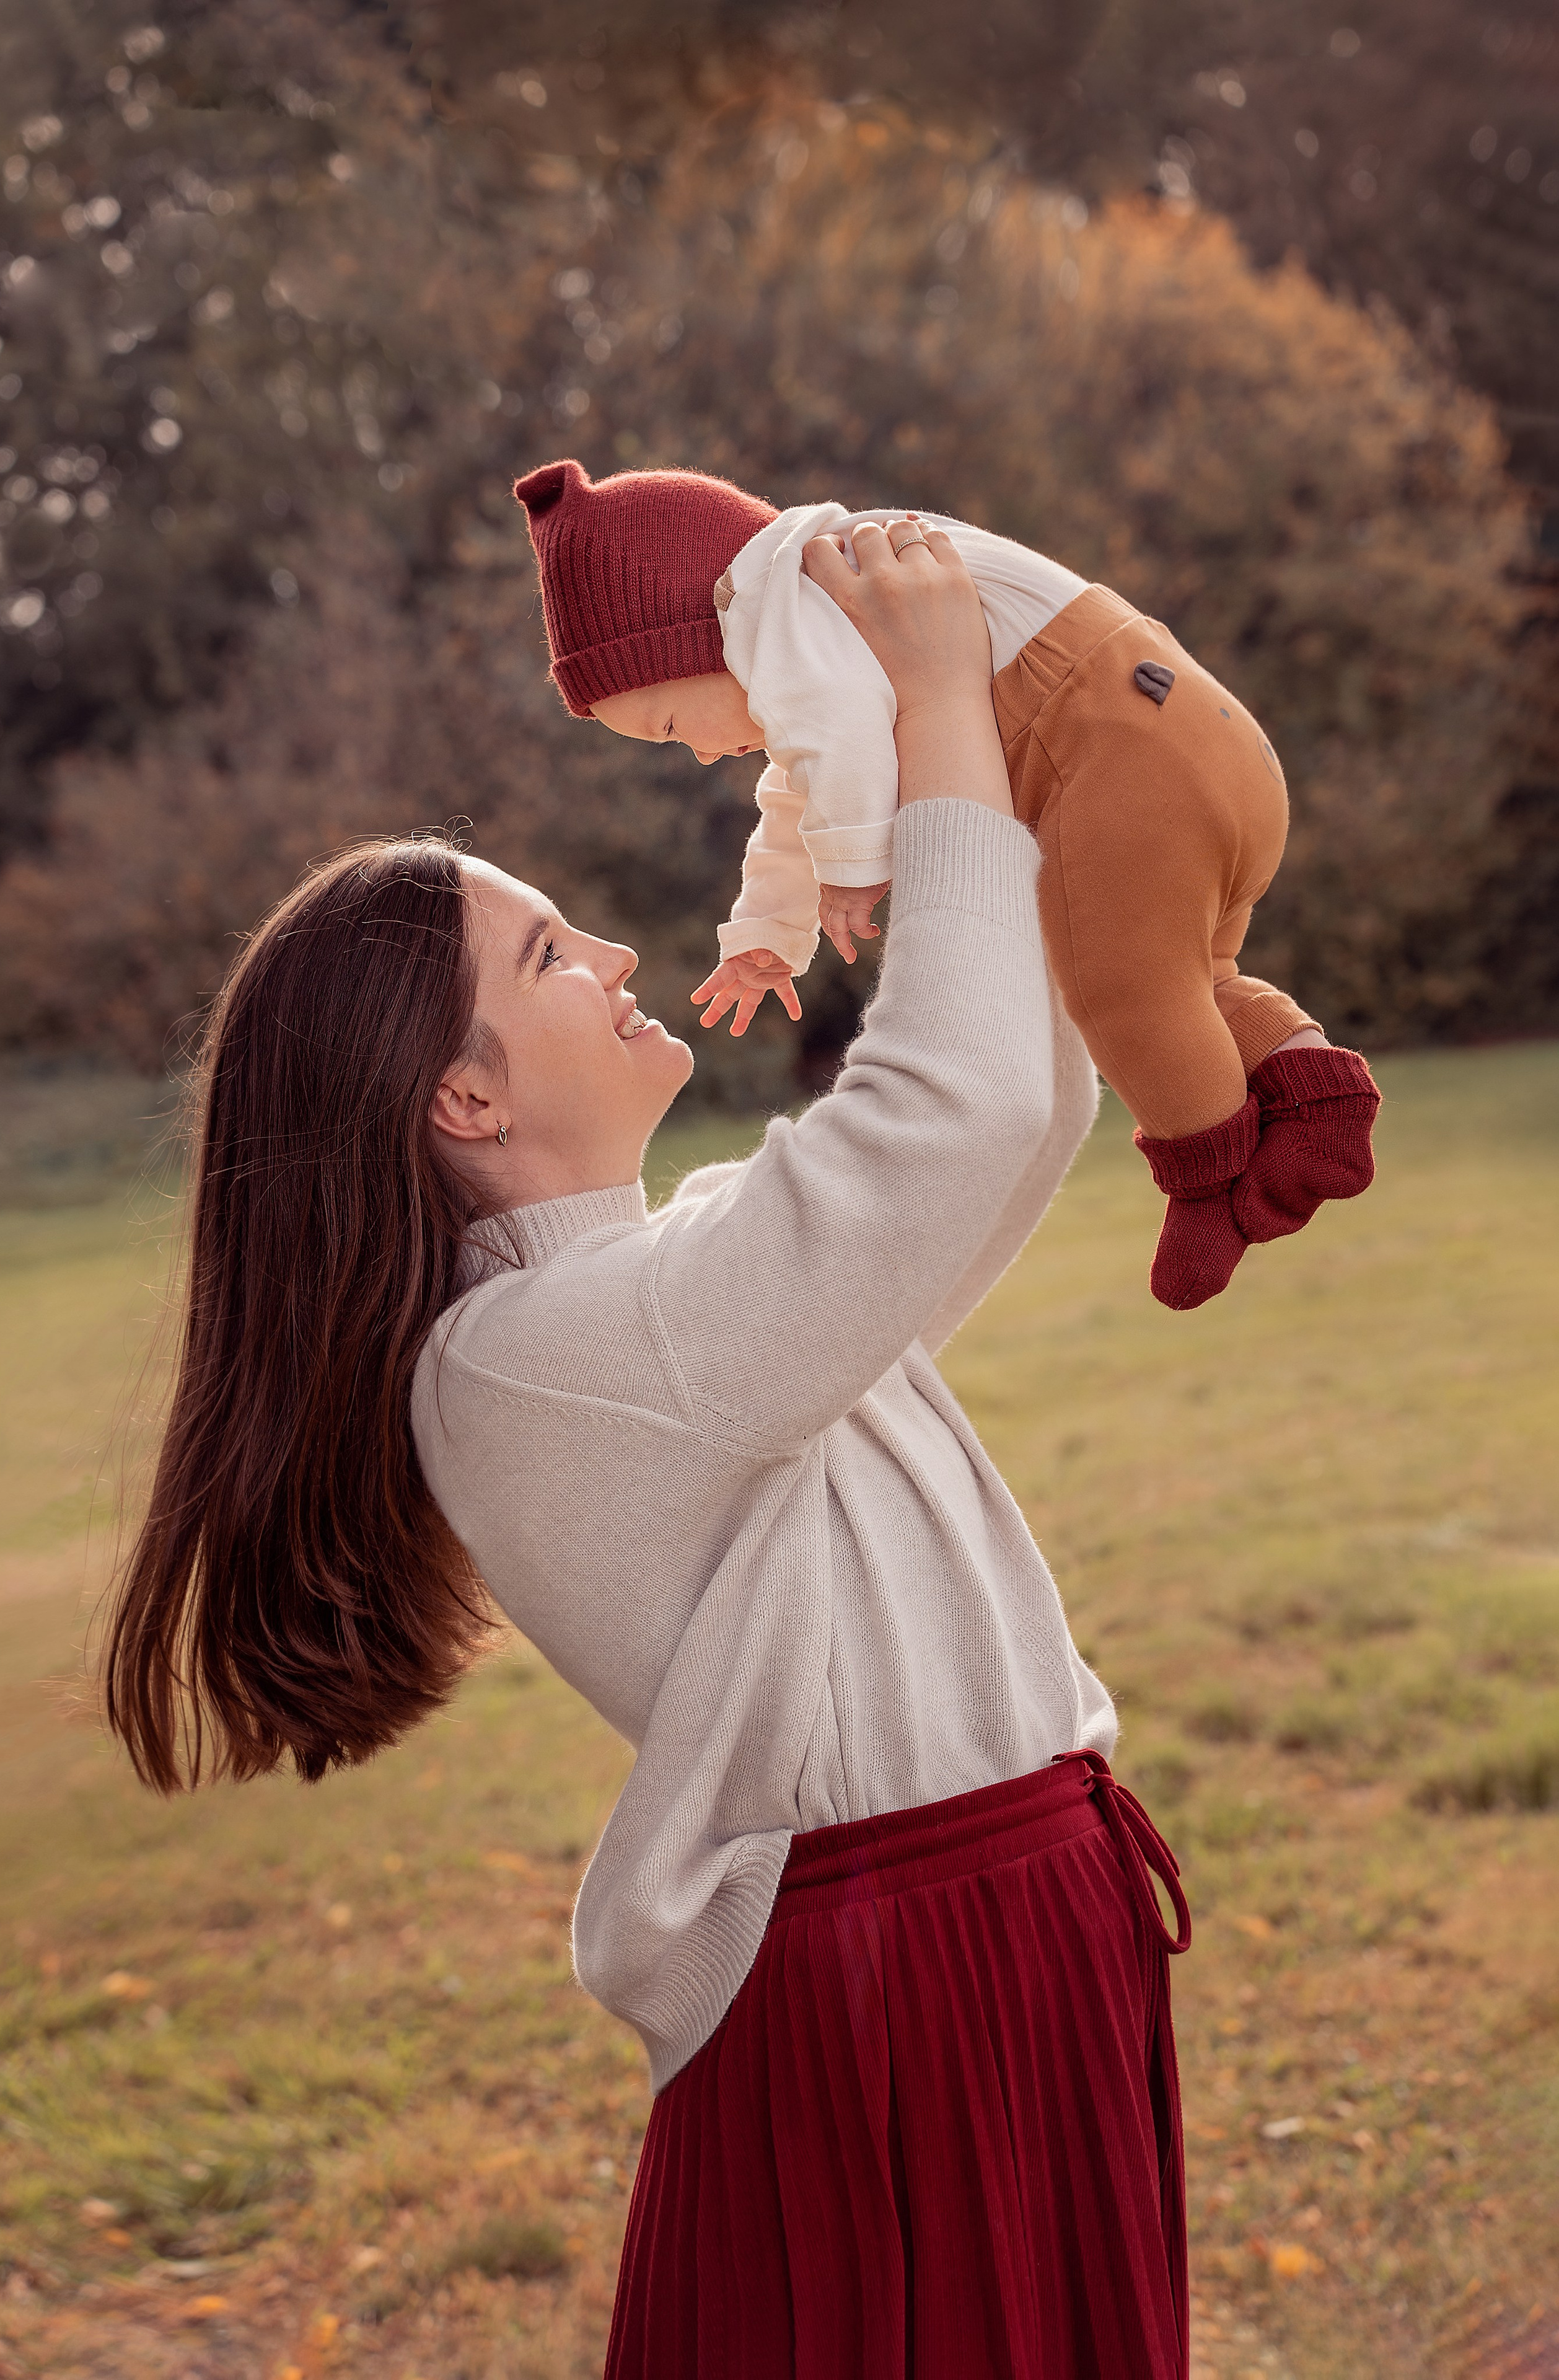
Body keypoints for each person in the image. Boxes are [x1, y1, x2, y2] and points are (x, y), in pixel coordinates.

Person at [107, 522, 1191, 2378]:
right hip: (909, 1975)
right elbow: (963, 1108)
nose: (607, 948)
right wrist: (935, 707)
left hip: (990, 1929)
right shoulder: (545, 1355)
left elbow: (1016, 1123)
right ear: (465, 1095)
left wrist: (940, 833)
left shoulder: (643, 1291)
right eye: (545, 952)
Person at [514, 456, 1382, 1313]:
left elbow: (839, 747)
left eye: (670, 726)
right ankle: (1313, 1093)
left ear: (697, 627)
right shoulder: (823, 599)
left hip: (1121, 752)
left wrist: (853, 876)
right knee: (1193, 978)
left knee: (1120, 992)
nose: (700, 753)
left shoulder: (792, 599)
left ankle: (1208, 1181)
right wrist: (767, 936)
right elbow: (799, 785)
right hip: (1204, 742)